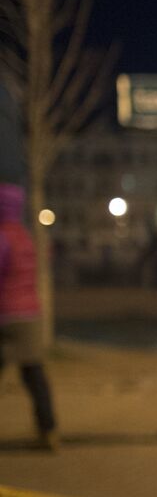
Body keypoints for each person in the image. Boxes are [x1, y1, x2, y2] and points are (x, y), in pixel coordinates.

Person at [0, 182, 58, 451]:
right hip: (30, 314)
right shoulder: (26, 236)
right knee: (35, 376)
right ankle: (49, 431)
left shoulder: (3, 238)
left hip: (6, 315)